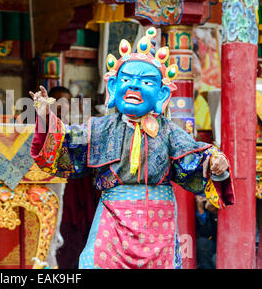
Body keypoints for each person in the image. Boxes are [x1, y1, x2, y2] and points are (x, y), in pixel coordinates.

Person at [29, 27, 235, 269]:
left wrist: (216, 164)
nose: (134, 86)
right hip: (113, 220)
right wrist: (45, 118)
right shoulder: (100, 128)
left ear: (162, 93)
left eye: (146, 81)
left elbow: (194, 158)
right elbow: (68, 143)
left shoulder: (168, 131)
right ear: (114, 88)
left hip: (159, 223)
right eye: (127, 80)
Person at [46, 86, 101, 269]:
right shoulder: (40, 128)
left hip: (76, 197)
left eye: (66, 102)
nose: (62, 106)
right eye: (57, 102)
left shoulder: (76, 130)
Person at [195, 194, 218, 269]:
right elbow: (206, 233)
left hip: (228, 244)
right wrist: (200, 210)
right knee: (202, 243)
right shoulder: (203, 205)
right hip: (213, 244)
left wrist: (216, 212)